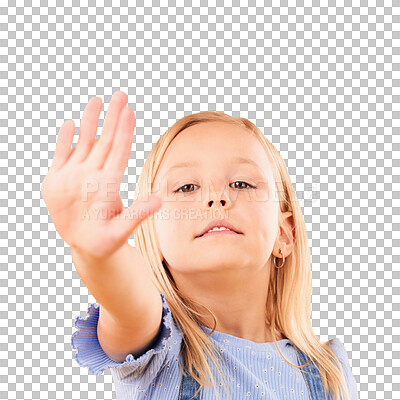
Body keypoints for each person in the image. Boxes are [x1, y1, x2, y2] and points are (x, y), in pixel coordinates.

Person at [41, 91, 359, 400]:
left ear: (284, 233)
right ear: (153, 236)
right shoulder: (158, 350)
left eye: (241, 183)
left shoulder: (328, 371)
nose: (216, 198)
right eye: (187, 187)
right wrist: (98, 257)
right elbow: (130, 306)